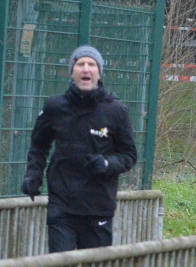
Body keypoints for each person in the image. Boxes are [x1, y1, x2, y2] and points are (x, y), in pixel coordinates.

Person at [21, 46, 137, 253]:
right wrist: (33, 175)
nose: (86, 69)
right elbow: (39, 145)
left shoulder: (116, 110)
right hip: (62, 204)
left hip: (98, 206)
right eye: (80, 64)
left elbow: (129, 155)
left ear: (99, 72)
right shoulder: (55, 107)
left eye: (91, 65)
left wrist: (107, 163)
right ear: (72, 71)